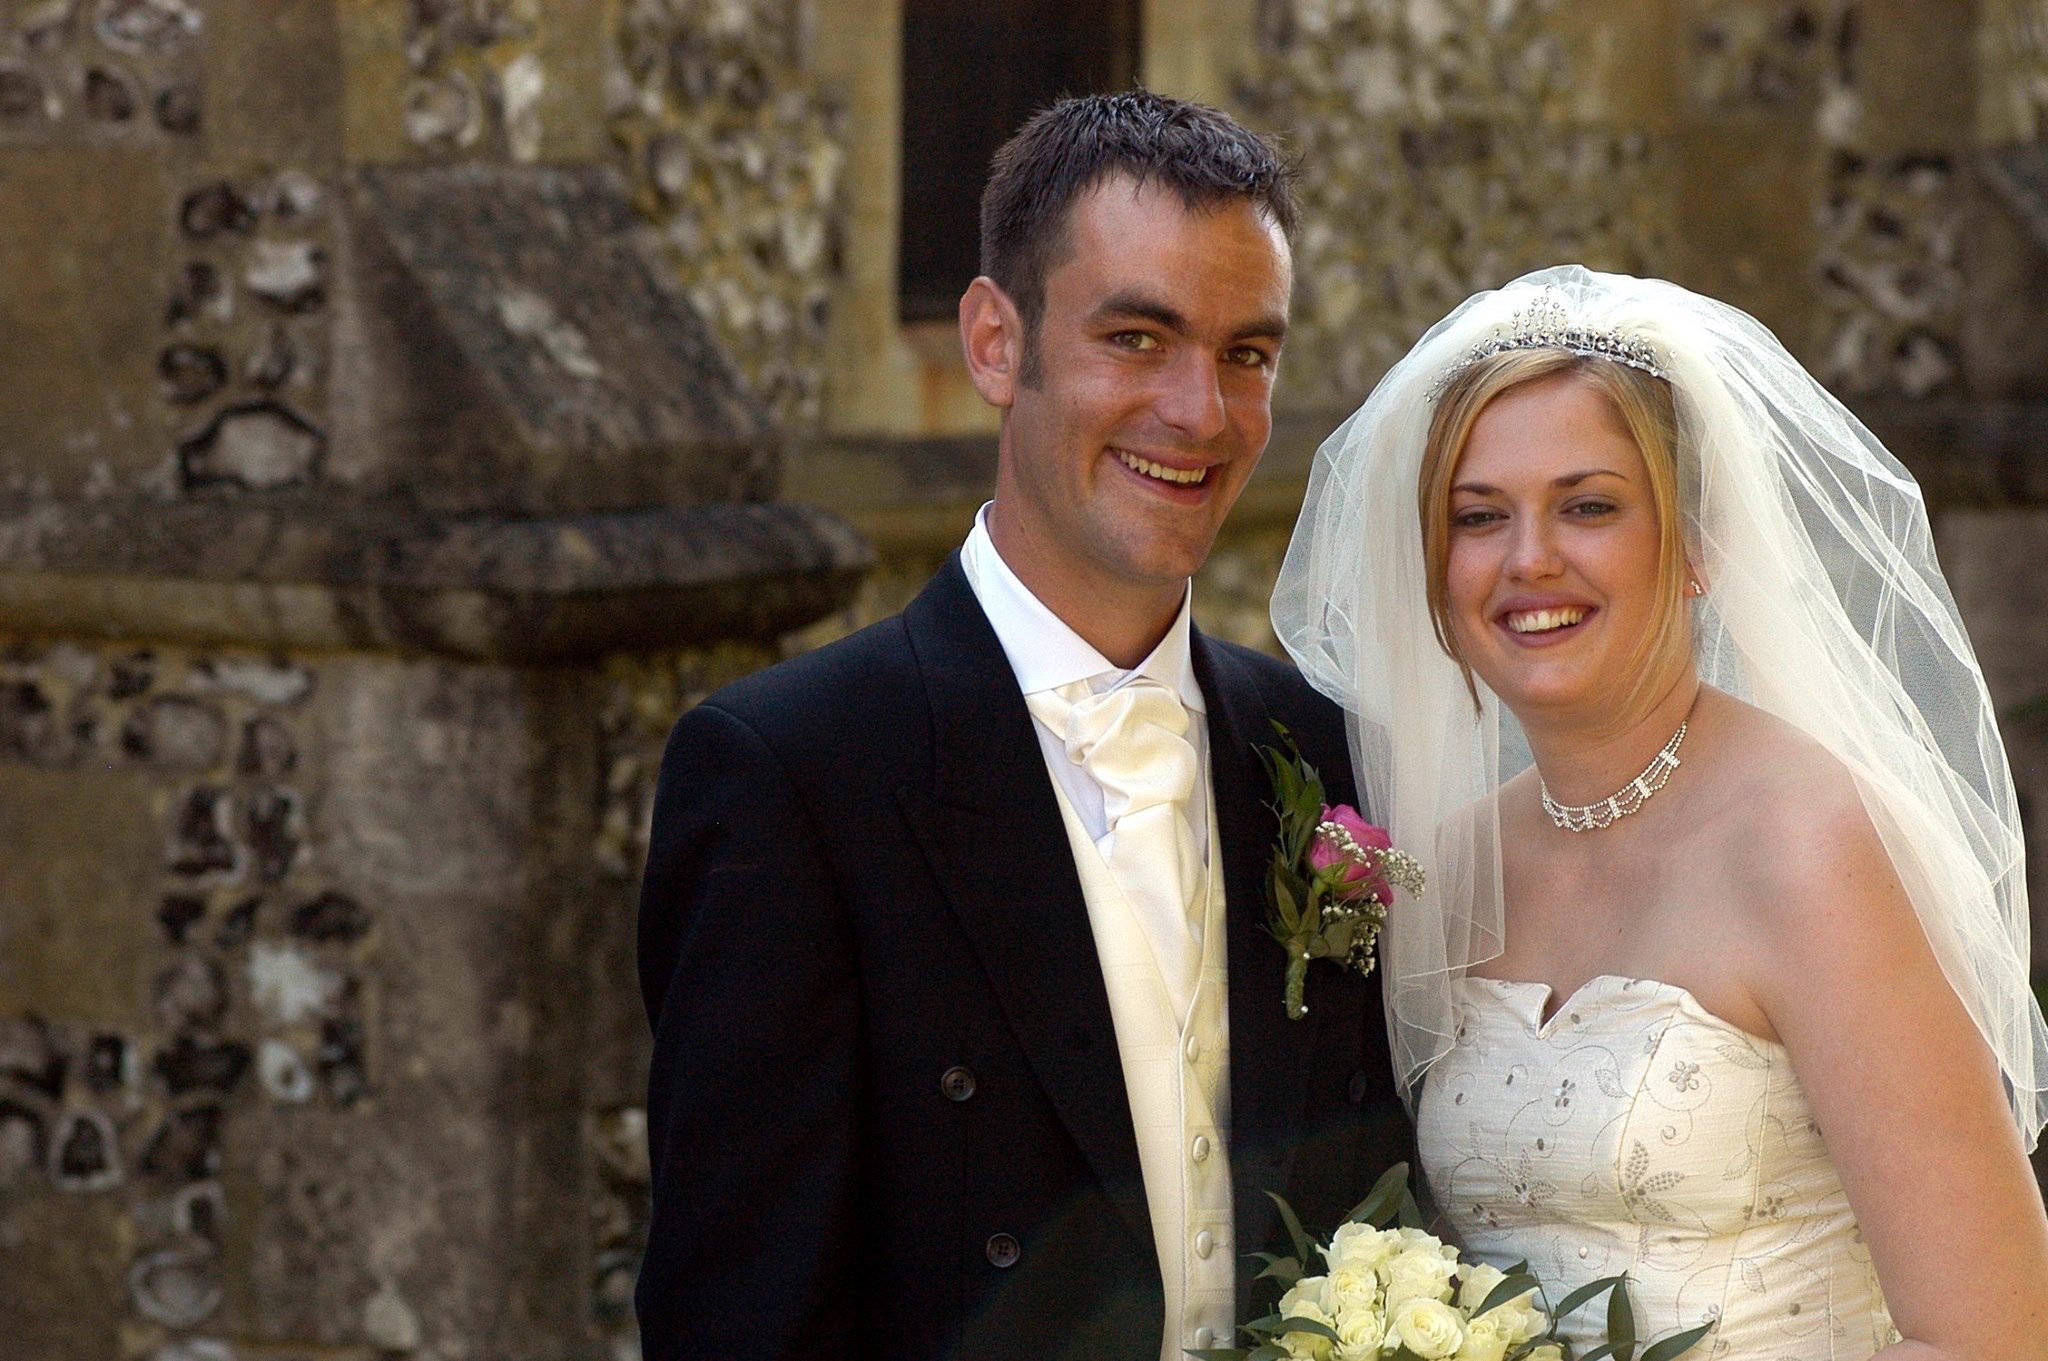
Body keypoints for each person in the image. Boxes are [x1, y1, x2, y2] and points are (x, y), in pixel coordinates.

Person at [636, 92, 1410, 1361]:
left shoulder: (1321, 750)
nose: (1201, 414)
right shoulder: (792, 772)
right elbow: (741, 1316)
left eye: (1245, 354)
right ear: (995, 343)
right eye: (1137, 337)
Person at [1272, 265, 2048, 1359]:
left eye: (1586, 505)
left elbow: (1992, 1333)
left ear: (1692, 546)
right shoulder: (1446, 866)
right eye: (1478, 516)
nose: (1527, 557)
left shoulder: (1807, 844)